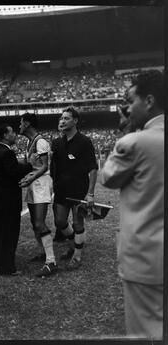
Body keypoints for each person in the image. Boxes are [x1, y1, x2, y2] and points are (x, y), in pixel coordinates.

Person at [100, 70, 164, 339]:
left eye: (130, 100)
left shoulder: (134, 142)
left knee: (147, 333)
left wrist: (127, 130)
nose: (127, 107)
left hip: (147, 259)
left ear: (148, 101)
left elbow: (108, 178)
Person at [51, 106, 98, 269]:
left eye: (66, 118)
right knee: (60, 221)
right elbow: (54, 167)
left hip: (79, 188)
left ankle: (77, 255)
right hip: (61, 189)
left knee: (78, 223)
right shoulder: (56, 143)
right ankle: (73, 245)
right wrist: (53, 185)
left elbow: (93, 168)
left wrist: (90, 193)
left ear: (75, 121)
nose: (62, 121)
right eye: (61, 118)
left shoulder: (84, 141)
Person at [0, 124, 32, 276]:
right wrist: (30, 165)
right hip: (6, 200)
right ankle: (7, 268)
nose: (15, 134)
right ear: (6, 135)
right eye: (12, 132)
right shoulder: (6, 152)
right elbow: (15, 173)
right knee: (9, 234)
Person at [19, 113, 57, 277]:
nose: (19, 126)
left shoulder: (41, 141)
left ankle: (51, 261)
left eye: (20, 123)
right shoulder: (30, 142)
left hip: (41, 183)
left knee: (40, 222)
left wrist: (30, 178)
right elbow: (32, 165)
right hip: (34, 183)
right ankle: (43, 253)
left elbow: (44, 166)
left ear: (27, 123)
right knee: (35, 223)